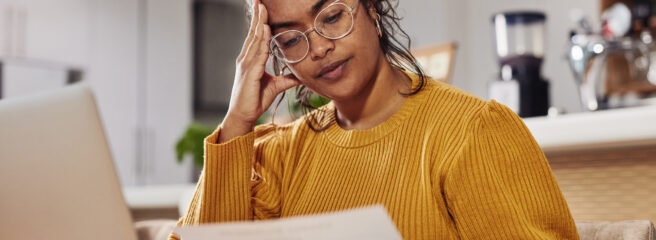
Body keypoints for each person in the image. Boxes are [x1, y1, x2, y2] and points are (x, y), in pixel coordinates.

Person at [170, 0, 580, 239]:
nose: (318, 48)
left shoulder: (473, 132)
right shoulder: (275, 157)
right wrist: (238, 120)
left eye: (331, 17)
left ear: (371, 9)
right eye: (292, 38)